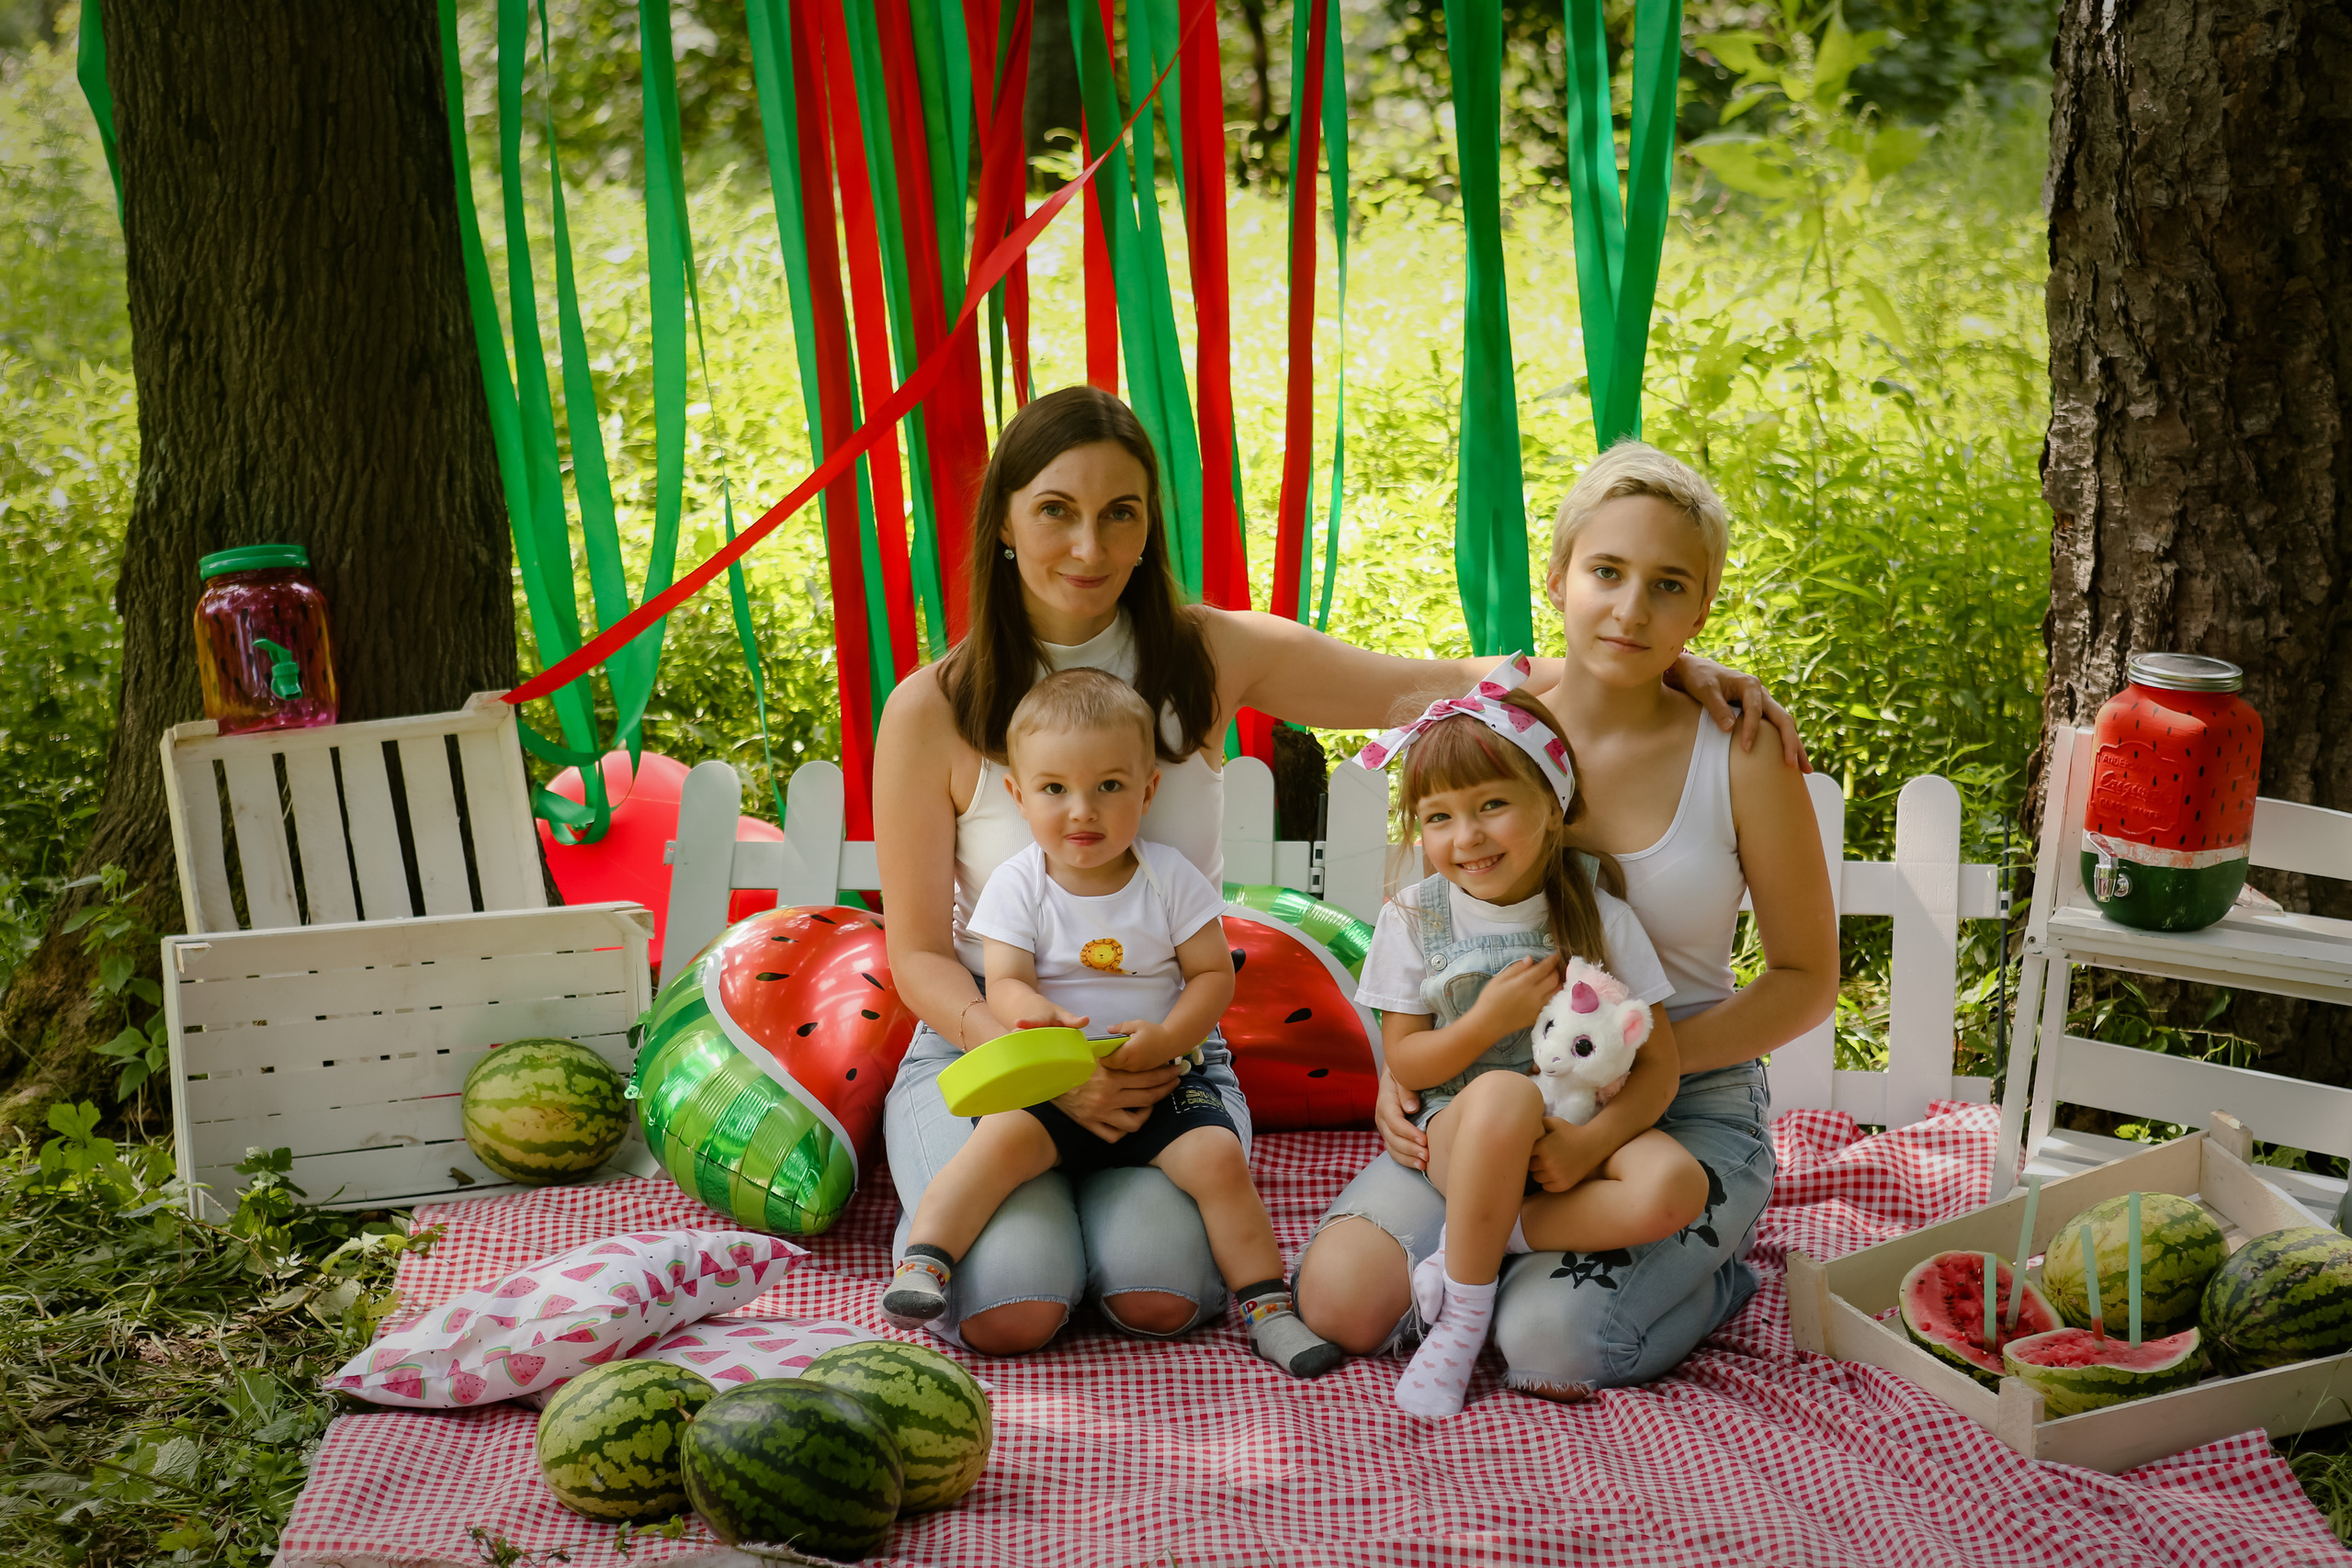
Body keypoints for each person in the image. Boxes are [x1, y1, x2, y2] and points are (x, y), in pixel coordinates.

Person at [876, 387, 1801, 1359]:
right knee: (1010, 1301)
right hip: (994, 1046)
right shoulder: (931, 708)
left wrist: (1677, 673)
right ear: (1006, 526)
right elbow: (918, 955)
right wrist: (1027, 1061)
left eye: (1122, 514)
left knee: (1160, 1288)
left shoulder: (1204, 653)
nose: (1090, 547)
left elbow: (1447, 681)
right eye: (1056, 510)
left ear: (1151, 528)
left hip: (1164, 1055)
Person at [1294, 440, 1839, 1401]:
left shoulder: (1739, 753)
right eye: (1607, 573)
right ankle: (1496, 1242)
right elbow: (1424, 924)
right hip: (1482, 1095)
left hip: (1679, 1105)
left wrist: (1625, 1071)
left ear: (1701, 608)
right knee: (1339, 1305)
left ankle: (1700, 1275)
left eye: (1669, 586)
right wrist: (1405, 1071)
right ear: (1558, 579)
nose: (1632, 609)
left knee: (1548, 1345)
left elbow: (1806, 980)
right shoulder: (1492, 725)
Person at [881, 669, 1340, 1377]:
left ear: (1148, 790)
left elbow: (1213, 975)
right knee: (999, 1140)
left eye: (1110, 787)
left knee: (1217, 1159)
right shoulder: (1019, 882)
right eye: (1055, 789)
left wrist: (1171, 1035)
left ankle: (1269, 1307)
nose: (1081, 811)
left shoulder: (1169, 877)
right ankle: (927, 1263)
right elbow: (1003, 980)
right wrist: (1033, 1015)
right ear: (1018, 796)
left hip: (1159, 1073)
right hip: (1056, 1070)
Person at [1346, 661, 1701, 1416]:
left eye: (1492, 805)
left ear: (1551, 804)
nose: (1465, 836)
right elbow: (1406, 1060)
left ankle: (1483, 1241)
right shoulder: (1414, 916)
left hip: (1568, 1127)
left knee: (1677, 1185)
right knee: (1503, 1091)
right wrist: (1486, 1024)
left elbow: (1659, 1064)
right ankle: (1462, 1323)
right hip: (1458, 1127)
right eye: (1437, 817)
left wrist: (1590, 1142)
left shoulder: (1600, 914)